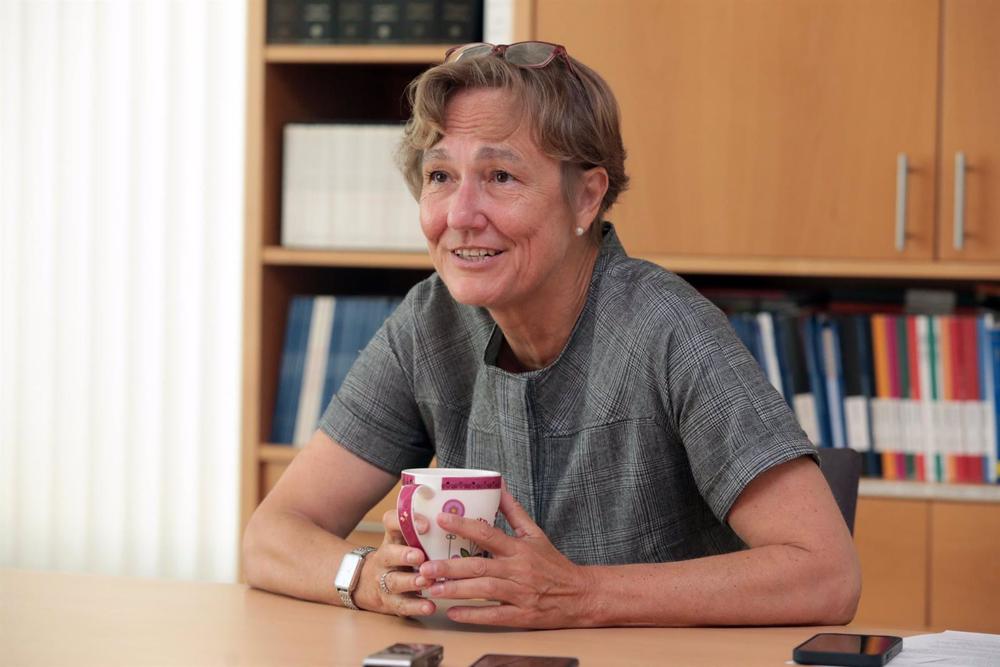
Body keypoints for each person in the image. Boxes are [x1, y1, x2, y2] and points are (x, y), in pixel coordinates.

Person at [243, 41, 861, 629]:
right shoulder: (429, 323)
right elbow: (272, 536)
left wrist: (580, 594)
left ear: (587, 198)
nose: (460, 215)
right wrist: (368, 578)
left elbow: (826, 574)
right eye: (440, 176)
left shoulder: (670, 328)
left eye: (500, 177)